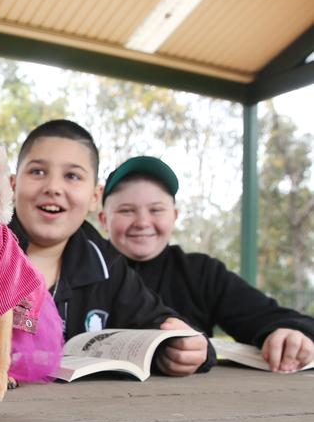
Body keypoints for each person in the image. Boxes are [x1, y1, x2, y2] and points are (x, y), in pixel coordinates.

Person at [8, 120, 211, 377]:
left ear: (94, 196)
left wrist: (185, 349)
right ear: (13, 185)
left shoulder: (107, 264)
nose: (53, 188)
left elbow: (158, 323)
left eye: (72, 176)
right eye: (37, 172)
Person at [98, 155, 314, 372]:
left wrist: (289, 333)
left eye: (156, 210)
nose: (143, 222)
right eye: (126, 210)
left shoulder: (201, 272)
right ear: (103, 220)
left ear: (174, 216)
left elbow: (270, 317)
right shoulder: (81, 270)